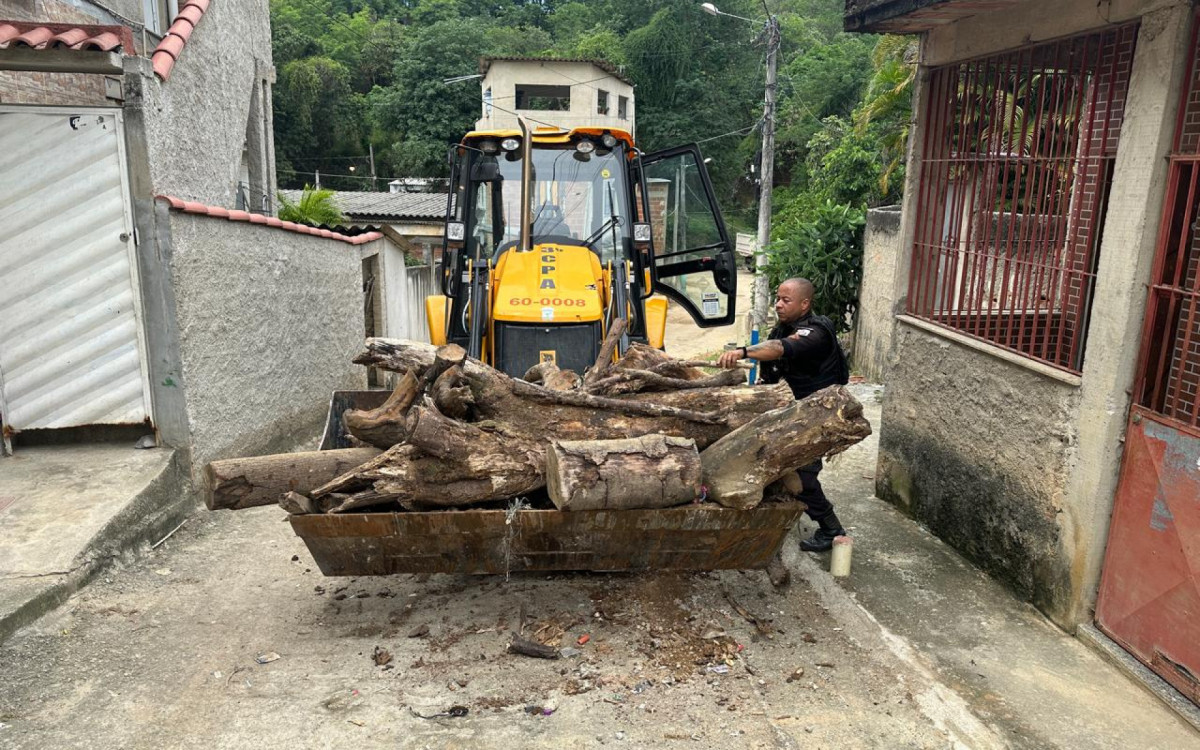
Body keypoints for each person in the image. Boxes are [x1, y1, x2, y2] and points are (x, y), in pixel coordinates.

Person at [718, 277, 849, 553]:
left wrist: (742, 352)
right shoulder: (785, 328)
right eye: (777, 298)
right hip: (794, 414)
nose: (778, 304)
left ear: (805, 303)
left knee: (803, 477)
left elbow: (780, 350)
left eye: (785, 300)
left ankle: (831, 529)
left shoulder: (816, 332)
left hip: (819, 418)